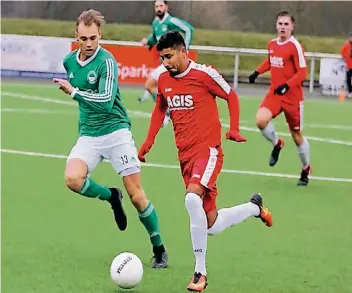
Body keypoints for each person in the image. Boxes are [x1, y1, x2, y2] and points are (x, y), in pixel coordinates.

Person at [138, 31, 273, 292]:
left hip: (208, 151)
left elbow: (231, 95)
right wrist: (148, 141)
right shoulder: (164, 80)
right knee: (211, 225)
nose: (165, 62)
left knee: (191, 199)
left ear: (183, 52)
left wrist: (233, 128)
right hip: (185, 156)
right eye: (162, 57)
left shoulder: (203, 74)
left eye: (169, 56)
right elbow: (160, 109)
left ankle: (200, 273)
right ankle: (255, 208)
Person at [52, 9, 168, 268]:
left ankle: (159, 247)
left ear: (100, 35)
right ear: (76, 36)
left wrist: (73, 93)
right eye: (84, 39)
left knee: (137, 196)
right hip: (89, 135)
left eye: (93, 38)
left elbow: (105, 102)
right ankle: (110, 196)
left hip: (116, 132)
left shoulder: (107, 61)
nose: (89, 44)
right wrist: (77, 93)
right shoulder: (69, 62)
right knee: (72, 179)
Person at [248, 10, 311, 186]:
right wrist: (257, 72)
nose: (283, 27)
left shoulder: (295, 46)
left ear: (292, 27)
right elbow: (270, 61)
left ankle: (305, 169)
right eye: (280, 24)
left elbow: (302, 72)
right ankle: (277, 143)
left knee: (297, 135)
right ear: (276, 26)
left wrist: (287, 85)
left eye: (286, 24)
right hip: (275, 94)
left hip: (292, 97)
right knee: (260, 120)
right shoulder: (272, 44)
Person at [139, 0, 194, 126]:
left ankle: (167, 113)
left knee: (151, 85)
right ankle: (169, 113)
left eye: (161, 6)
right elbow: (155, 38)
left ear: (166, 7)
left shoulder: (171, 21)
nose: (159, 8)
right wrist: (147, 41)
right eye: (156, 6)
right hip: (164, 62)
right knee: (162, 88)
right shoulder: (155, 23)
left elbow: (189, 29)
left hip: (173, 61)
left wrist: (185, 50)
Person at [340, 32, 352, 98]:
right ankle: (350, 91)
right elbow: (342, 53)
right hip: (349, 65)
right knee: (348, 79)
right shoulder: (346, 45)